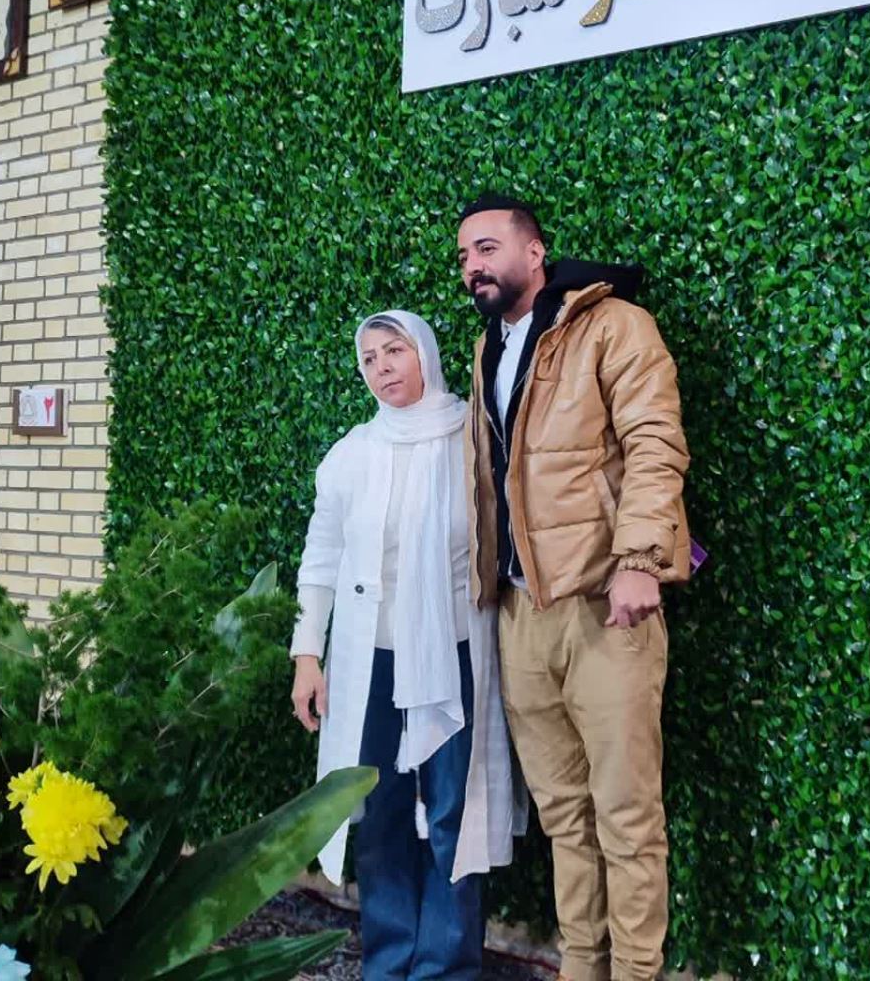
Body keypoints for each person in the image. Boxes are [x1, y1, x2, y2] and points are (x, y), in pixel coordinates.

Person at [455, 194, 692, 981]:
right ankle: (582, 968)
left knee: (626, 815)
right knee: (563, 815)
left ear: (535, 252)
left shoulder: (615, 326)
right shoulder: (488, 348)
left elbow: (655, 442)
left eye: (487, 248)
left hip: (603, 607)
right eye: (464, 257)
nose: (473, 267)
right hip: (520, 613)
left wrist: (640, 559)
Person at [290, 310, 522, 981]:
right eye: (368, 358)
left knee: (454, 810)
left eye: (394, 350)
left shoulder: (473, 438)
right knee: (379, 808)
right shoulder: (352, 453)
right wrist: (307, 655)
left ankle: (446, 965)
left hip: (454, 651)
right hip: (368, 662)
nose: (381, 367)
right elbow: (321, 558)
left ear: (425, 354)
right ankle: (388, 961)